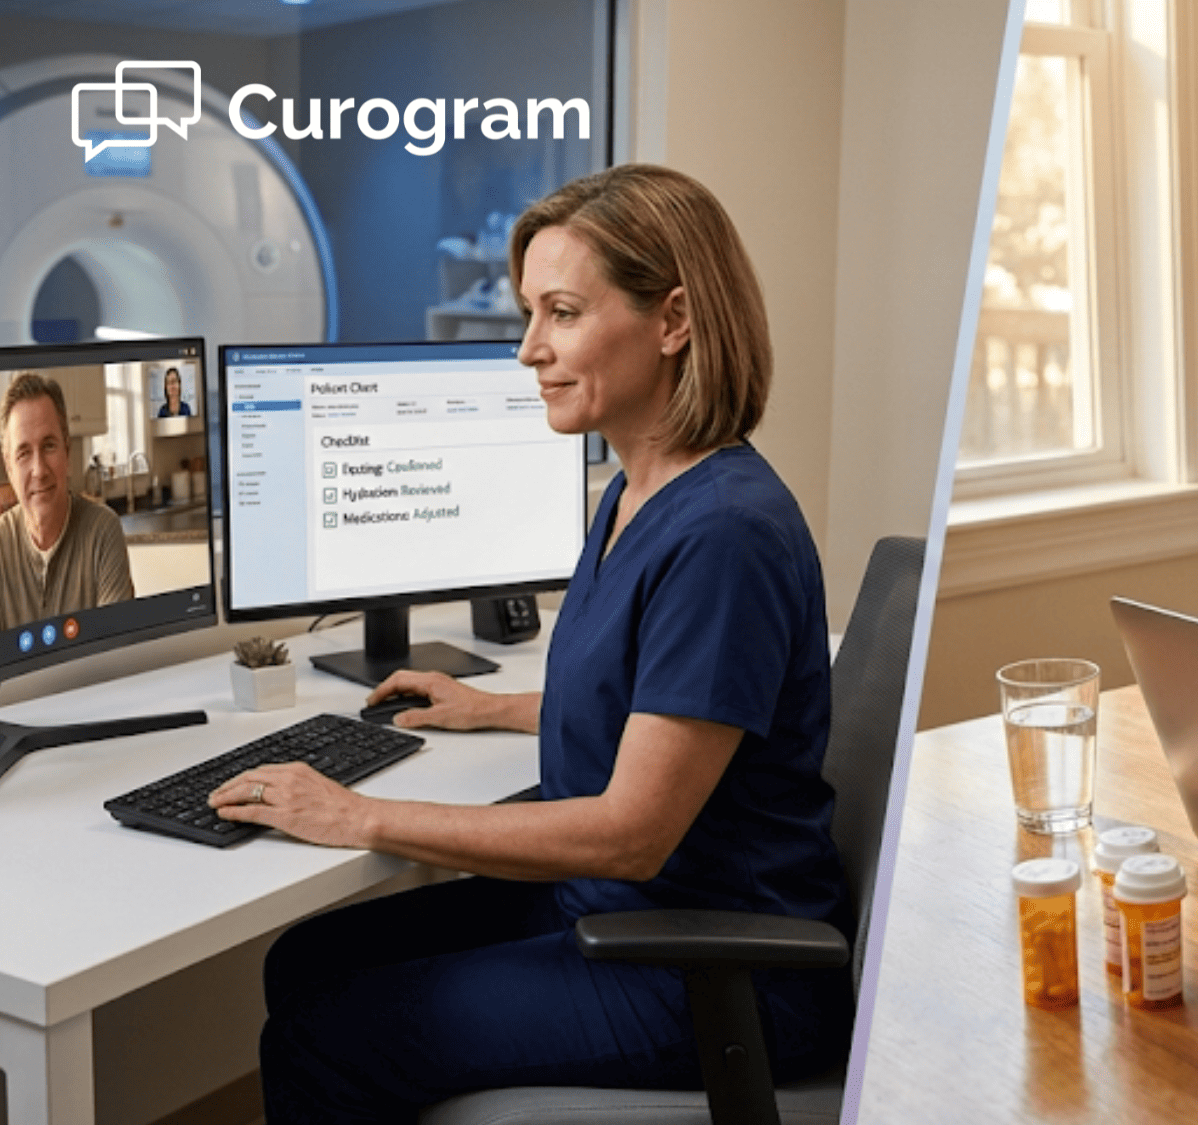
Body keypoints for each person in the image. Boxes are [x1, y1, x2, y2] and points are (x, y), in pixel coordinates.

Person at [208, 165, 853, 1120]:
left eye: (560, 313)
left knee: (321, 1034)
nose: (527, 351)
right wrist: (496, 707)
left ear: (672, 321)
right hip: (615, 908)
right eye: (528, 314)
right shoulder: (633, 495)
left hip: (713, 961)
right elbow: (659, 702)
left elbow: (633, 831)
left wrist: (362, 815)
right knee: (306, 958)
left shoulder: (726, 533)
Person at [0, 374, 135, 629]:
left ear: (67, 452)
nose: (39, 470)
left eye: (49, 446)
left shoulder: (103, 531)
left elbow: (117, 652)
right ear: (8, 466)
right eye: (24, 453)